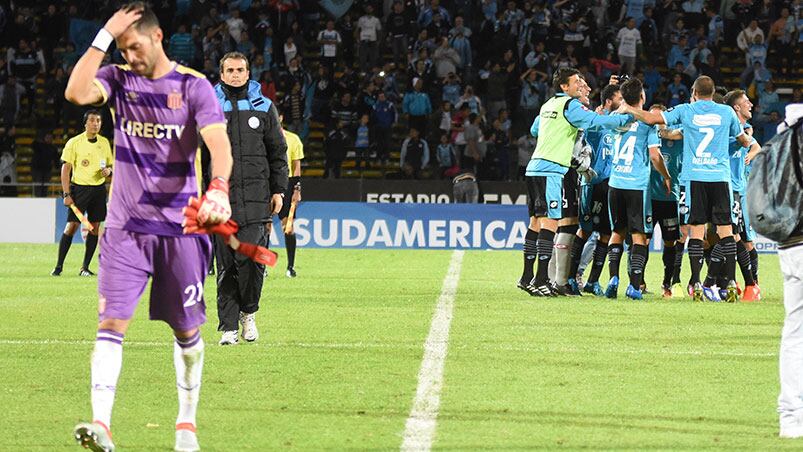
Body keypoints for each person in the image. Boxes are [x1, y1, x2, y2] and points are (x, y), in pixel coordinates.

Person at [64, 4, 234, 452]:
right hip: (124, 229)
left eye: (134, 46)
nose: (130, 55)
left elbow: (219, 143)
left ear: (157, 38)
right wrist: (104, 35)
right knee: (111, 322)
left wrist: (218, 188)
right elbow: (76, 93)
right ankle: (102, 424)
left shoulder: (194, 86)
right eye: (123, 49)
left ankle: (186, 425)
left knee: (186, 333)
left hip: (181, 230)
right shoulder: (119, 80)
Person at [622, 76, 753, 302]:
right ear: (712, 93)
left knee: (696, 230)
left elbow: (653, 118)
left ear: (694, 91)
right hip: (720, 178)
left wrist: (628, 108)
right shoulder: (727, 113)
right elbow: (743, 141)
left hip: (695, 178)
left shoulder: (686, 110)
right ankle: (731, 281)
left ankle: (697, 283)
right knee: (725, 229)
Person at [519, 67, 634, 297]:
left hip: (534, 167)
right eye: (576, 82)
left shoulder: (548, 105)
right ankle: (542, 279)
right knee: (551, 223)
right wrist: (628, 116)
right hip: (553, 168)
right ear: (564, 87)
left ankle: (526, 278)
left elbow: (534, 129)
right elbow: (594, 121)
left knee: (535, 222)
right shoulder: (571, 105)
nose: (580, 86)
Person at [212, 52, 288, 346]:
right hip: (221, 199)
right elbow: (196, 155)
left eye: (240, 69)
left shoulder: (264, 106)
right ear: (221, 74)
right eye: (229, 70)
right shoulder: (209, 108)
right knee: (226, 265)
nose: (235, 74)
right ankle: (229, 326)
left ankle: (249, 312)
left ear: (248, 73)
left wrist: (279, 191)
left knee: (251, 261)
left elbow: (278, 153)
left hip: (257, 199)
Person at [604, 78, 671, 300]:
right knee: (639, 235)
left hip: (615, 183)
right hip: (636, 186)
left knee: (617, 232)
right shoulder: (647, 124)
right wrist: (666, 175)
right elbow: (654, 155)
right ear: (642, 97)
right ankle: (634, 285)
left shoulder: (615, 118)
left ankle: (613, 278)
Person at [568, 83, 622, 296]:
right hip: (592, 183)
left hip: (611, 184)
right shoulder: (595, 123)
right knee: (585, 229)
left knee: (607, 234)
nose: (622, 102)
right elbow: (581, 142)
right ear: (609, 101)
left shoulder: (617, 125)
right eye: (619, 98)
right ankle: (572, 278)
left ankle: (593, 281)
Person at [52, 110, 113, 277]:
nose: (95, 123)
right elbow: (66, 169)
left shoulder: (104, 143)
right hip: (79, 189)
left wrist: (108, 171)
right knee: (72, 226)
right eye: (92, 120)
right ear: (85, 123)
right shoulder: (74, 142)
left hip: (99, 190)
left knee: (94, 229)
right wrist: (66, 194)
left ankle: (84, 267)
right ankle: (58, 267)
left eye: (98, 121)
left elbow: (110, 165)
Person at [722, 89, 762, 301]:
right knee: (730, 236)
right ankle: (736, 283)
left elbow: (756, 146)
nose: (751, 104)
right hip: (726, 188)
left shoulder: (743, 129)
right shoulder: (731, 128)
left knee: (741, 238)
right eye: (746, 101)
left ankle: (752, 284)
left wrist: (749, 156)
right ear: (736, 107)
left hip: (736, 189)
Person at [648, 105, 685, 298]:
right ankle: (639, 283)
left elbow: (680, 132)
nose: (652, 121)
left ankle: (667, 283)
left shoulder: (678, 135)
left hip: (670, 198)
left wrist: (662, 130)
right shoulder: (647, 136)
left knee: (670, 242)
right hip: (647, 197)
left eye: (657, 117)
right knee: (641, 240)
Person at [278, 118, 304, 278]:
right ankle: (261, 267)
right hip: (267, 182)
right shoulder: (262, 136)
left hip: (287, 183)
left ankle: (290, 267)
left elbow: (296, 166)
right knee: (264, 227)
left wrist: (297, 189)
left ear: (281, 118)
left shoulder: (293, 139)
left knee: (288, 226)